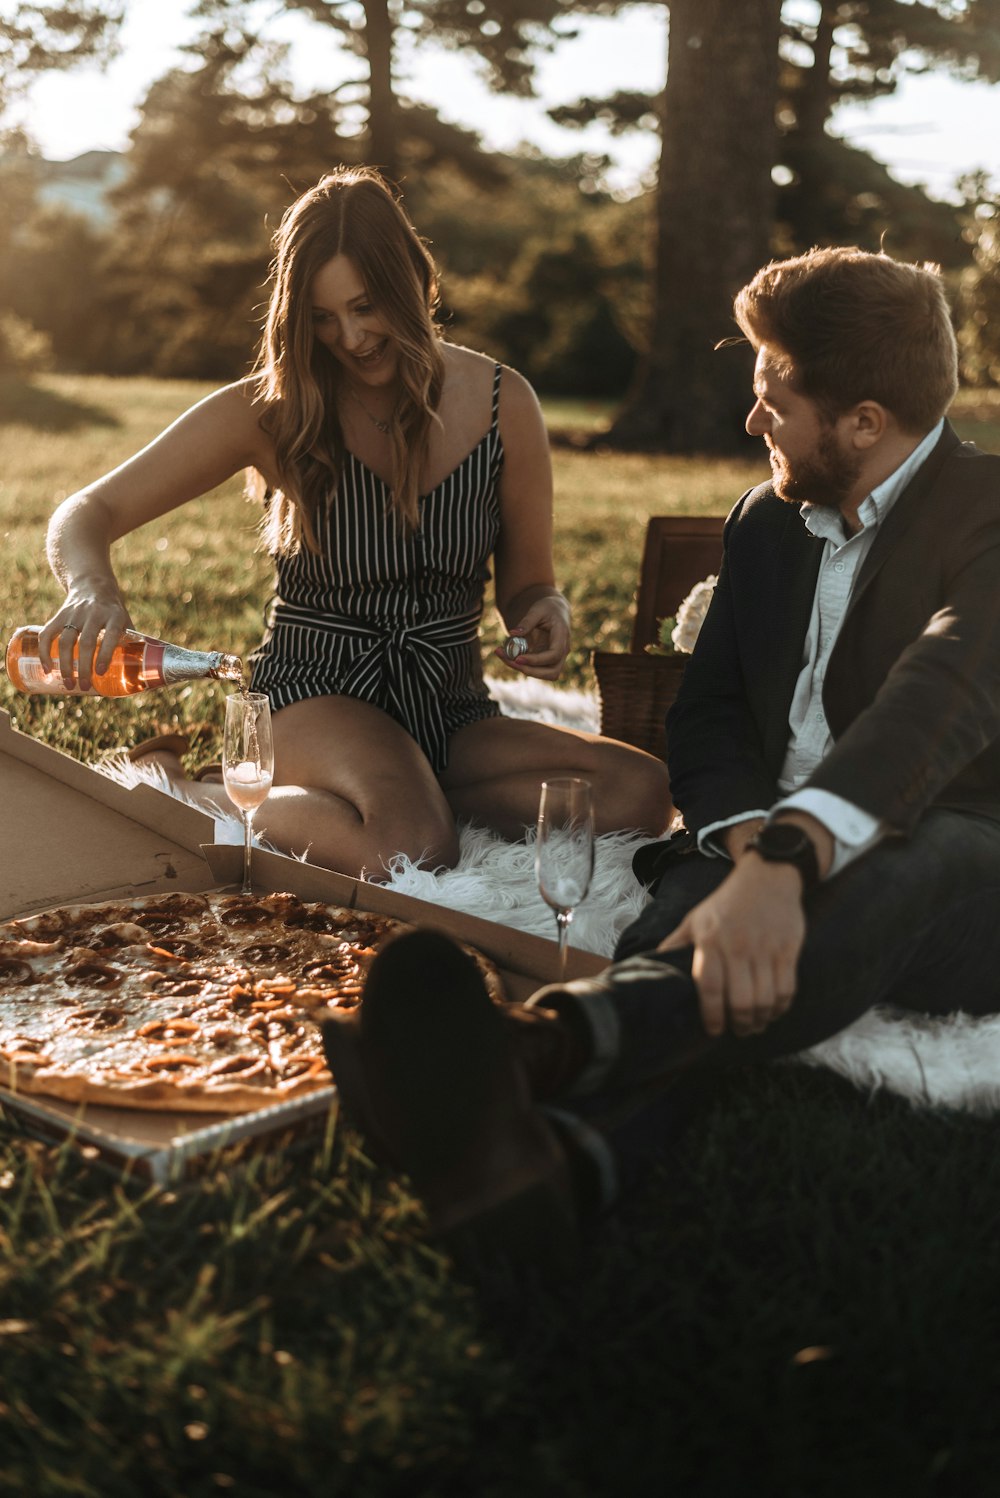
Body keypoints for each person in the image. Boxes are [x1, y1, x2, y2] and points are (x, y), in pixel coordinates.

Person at [320, 245, 1000, 1274]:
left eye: (774, 397)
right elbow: (711, 717)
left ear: (865, 421)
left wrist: (789, 858)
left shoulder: (988, 511)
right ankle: (547, 1166)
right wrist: (738, 845)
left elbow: (939, 697)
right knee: (692, 963)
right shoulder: (762, 524)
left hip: (963, 873)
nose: (749, 420)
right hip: (753, 842)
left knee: (918, 855)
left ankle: (533, 1047)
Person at [39, 166, 671, 877]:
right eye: (322, 317)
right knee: (412, 847)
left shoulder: (504, 404)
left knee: (638, 792)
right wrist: (93, 588)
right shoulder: (274, 409)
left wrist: (544, 614)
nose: (350, 337)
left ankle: (374, 798)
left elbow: (529, 586)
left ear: (413, 283)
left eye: (366, 306)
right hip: (315, 694)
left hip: (448, 703)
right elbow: (86, 511)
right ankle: (197, 788)